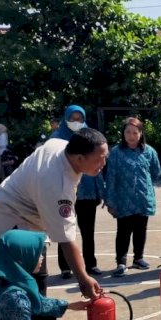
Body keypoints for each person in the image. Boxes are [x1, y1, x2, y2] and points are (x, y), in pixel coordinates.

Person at [0, 128, 107, 320]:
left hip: (29, 223)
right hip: (10, 227)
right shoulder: (56, 184)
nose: (103, 163)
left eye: (105, 156)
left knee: (36, 285)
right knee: (24, 291)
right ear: (80, 157)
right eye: (99, 159)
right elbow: (66, 239)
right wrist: (83, 279)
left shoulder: (61, 146)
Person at [51, 105, 105, 279]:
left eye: (79, 119)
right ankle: (65, 267)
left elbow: (98, 166)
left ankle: (91, 264)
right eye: (72, 118)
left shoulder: (90, 138)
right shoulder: (56, 140)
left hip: (87, 193)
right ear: (65, 119)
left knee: (88, 231)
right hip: (65, 193)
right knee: (64, 229)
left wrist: (99, 191)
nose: (76, 122)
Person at [105, 117, 161, 277]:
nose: (131, 136)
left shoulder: (149, 151)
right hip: (123, 200)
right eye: (128, 132)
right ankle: (121, 262)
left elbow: (156, 172)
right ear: (123, 133)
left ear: (141, 133)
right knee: (123, 231)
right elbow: (111, 177)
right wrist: (110, 200)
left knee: (140, 230)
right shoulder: (116, 153)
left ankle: (138, 258)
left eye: (135, 132)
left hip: (143, 198)